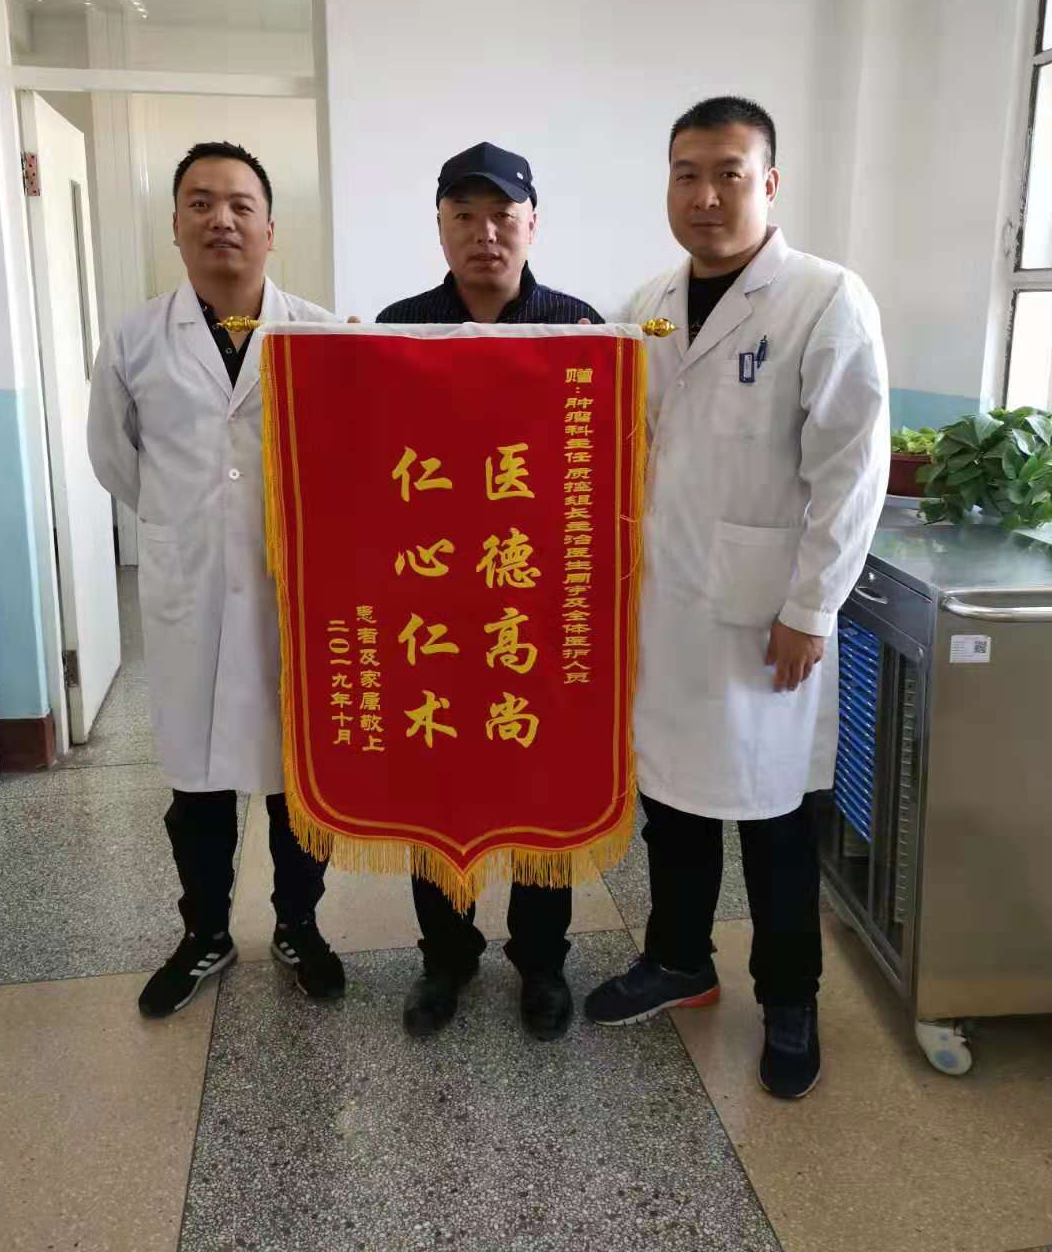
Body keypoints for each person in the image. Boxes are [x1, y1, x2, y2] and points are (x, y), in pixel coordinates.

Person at [584, 97, 889, 1099]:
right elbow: (613, 433)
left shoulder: (824, 299)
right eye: (687, 174)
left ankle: (790, 998)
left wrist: (811, 609)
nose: (706, 196)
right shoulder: (651, 303)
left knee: (775, 822)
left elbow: (852, 472)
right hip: (665, 611)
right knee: (673, 806)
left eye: (729, 173)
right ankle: (679, 959)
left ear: (770, 183)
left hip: (767, 619)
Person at [88, 141, 346, 1017]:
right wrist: (190, 523)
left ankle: (299, 926)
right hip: (189, 589)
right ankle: (204, 933)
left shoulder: (322, 335)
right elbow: (115, 457)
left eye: (240, 204)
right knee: (195, 785)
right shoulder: (135, 339)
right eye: (200, 203)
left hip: (291, 595)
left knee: (295, 783)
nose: (221, 220)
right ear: (175, 225)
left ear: (271, 228)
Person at [378, 140, 603, 1042]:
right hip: (435, 605)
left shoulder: (580, 328)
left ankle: (542, 962)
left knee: (542, 786)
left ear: (532, 223)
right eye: (463, 216)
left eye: (503, 216)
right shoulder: (397, 329)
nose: (485, 234)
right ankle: (446, 955)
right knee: (439, 780)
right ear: (439, 227)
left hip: (537, 604)